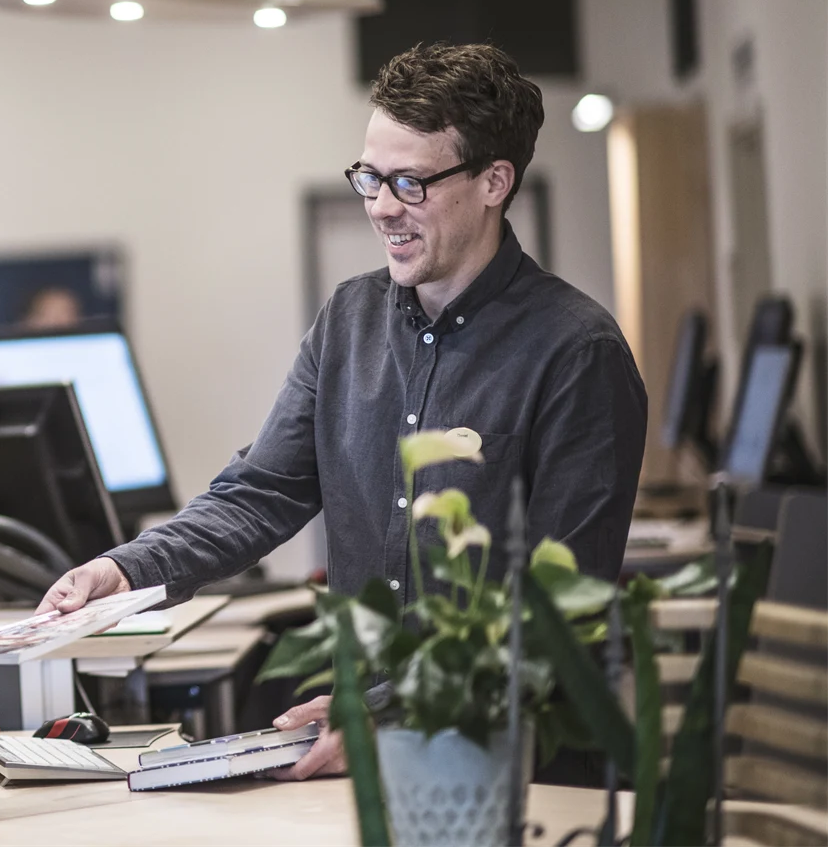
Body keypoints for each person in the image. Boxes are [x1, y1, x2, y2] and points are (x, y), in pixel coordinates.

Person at [37, 43, 646, 781]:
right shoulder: (350, 320)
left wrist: (391, 711)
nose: (382, 206)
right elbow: (262, 493)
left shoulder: (578, 353)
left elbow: (559, 613)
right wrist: (123, 571)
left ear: (494, 181)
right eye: (369, 176)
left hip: (518, 775)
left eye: (409, 182)